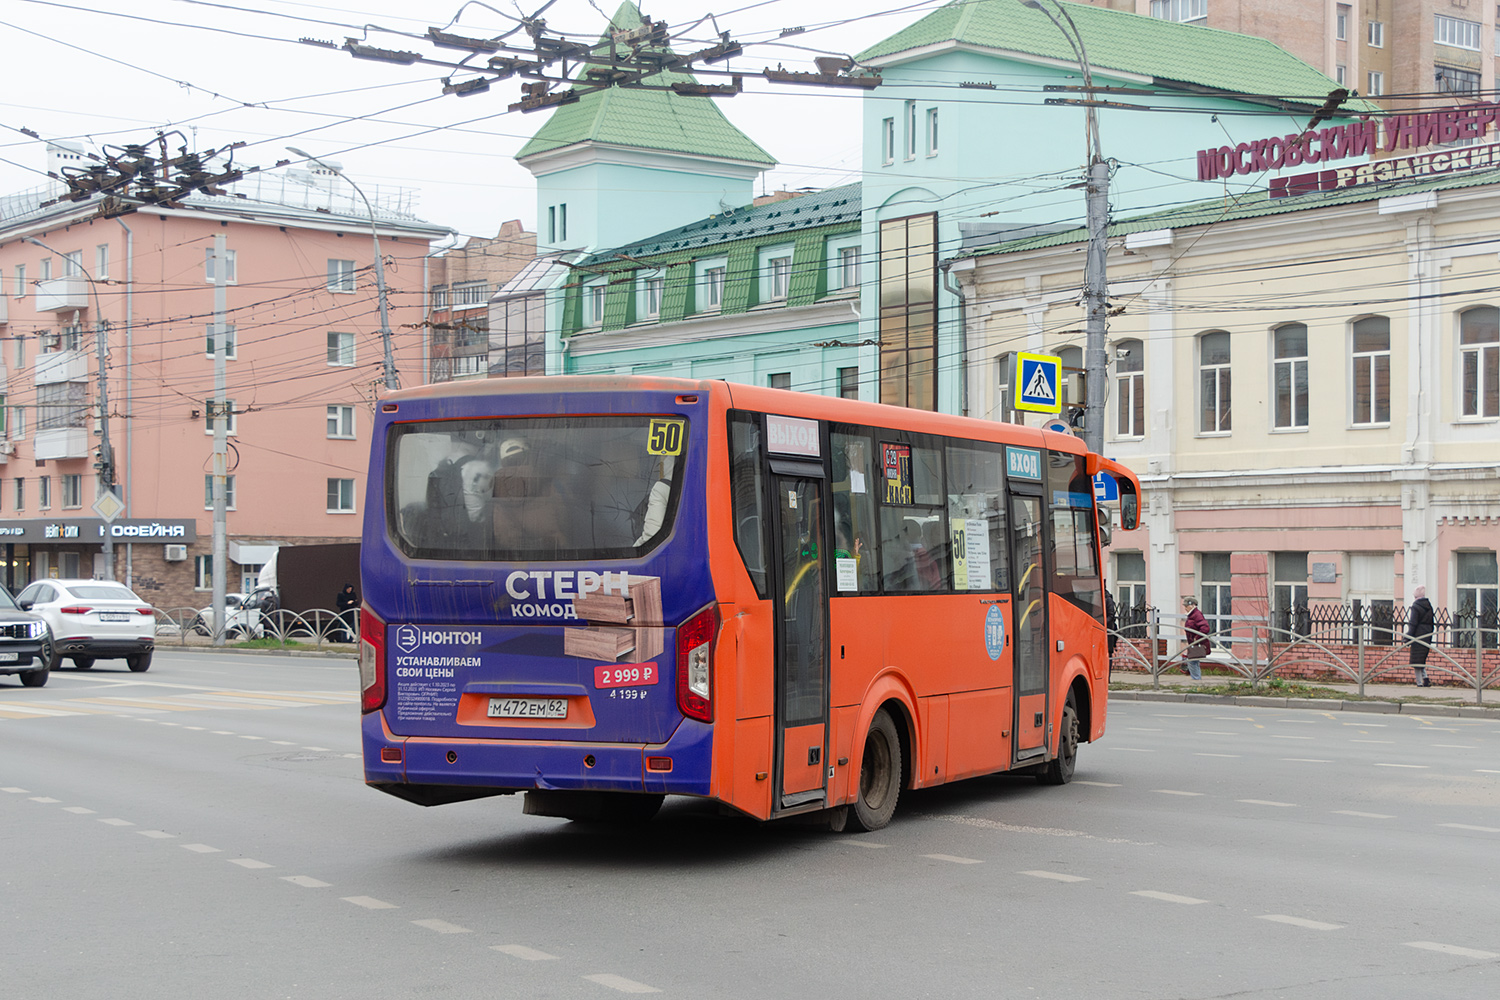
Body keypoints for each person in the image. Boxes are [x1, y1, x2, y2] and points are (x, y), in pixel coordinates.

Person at [1407, 585, 1434, 687]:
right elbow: (1432, 623)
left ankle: (1419, 682)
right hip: (1427, 634)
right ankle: (1425, 678)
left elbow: (1413, 623)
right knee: (1421, 658)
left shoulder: (1416, 606)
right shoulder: (1429, 606)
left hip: (1418, 635)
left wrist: (1408, 636)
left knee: (1416, 660)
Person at [1182, 595, 1210, 680]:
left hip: (1197, 644)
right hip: (1193, 643)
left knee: (1192, 661)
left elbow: (1205, 628)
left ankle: (1196, 680)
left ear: (1192, 605)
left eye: (1186, 606)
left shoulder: (1196, 614)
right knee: (1193, 661)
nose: (1185, 608)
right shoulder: (1192, 615)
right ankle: (1197, 679)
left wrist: (1196, 638)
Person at [1104, 589, 1119, 667]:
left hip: (1108, 632)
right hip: (1101, 631)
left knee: (1108, 654)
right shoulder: (1098, 598)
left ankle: (1107, 677)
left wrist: (1102, 623)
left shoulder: (1108, 600)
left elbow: (1111, 616)